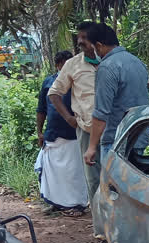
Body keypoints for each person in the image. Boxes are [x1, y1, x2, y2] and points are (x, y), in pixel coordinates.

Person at [47, 22, 100, 211]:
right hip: (87, 130)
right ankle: (101, 228)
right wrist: (69, 117)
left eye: (84, 38)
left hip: (118, 130)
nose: (80, 42)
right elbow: (53, 94)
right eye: (79, 38)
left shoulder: (115, 60)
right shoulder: (73, 64)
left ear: (98, 40)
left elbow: (146, 82)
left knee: (120, 178)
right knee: (94, 180)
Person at [83, 23, 149, 168]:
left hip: (117, 142)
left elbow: (101, 112)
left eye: (94, 48)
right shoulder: (137, 62)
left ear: (99, 46)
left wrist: (92, 147)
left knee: (114, 189)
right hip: (139, 137)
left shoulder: (107, 67)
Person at [35, 51, 88, 216]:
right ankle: (57, 202)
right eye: (64, 64)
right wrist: (39, 131)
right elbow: (41, 109)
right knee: (53, 172)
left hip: (74, 133)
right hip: (53, 133)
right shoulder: (48, 82)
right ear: (58, 65)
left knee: (73, 172)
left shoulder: (79, 82)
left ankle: (75, 204)